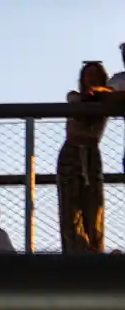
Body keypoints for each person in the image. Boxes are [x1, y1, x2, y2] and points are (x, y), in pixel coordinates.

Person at [58, 61, 111, 254]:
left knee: (94, 206)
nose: (92, 79)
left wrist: (101, 93)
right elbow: (78, 106)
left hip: (91, 153)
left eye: (96, 75)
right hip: (72, 152)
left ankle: (95, 251)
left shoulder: (106, 100)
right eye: (88, 75)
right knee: (70, 208)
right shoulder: (75, 97)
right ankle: (75, 253)